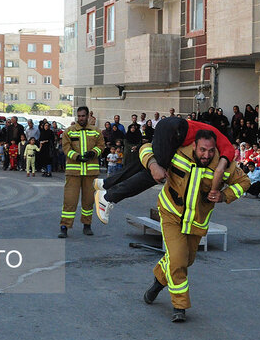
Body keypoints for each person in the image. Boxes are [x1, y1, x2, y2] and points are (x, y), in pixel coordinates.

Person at [140, 129, 250, 322]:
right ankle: (179, 307)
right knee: (177, 259)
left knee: (186, 260)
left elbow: (244, 182)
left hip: (196, 222)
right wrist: (153, 165)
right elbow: (145, 148)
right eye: (202, 150)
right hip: (170, 214)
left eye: (210, 150)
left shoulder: (223, 165)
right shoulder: (177, 152)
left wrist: (225, 196)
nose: (206, 155)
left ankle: (158, 282)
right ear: (194, 146)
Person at [94, 117, 235, 224]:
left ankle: (105, 184)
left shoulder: (214, 135)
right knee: (155, 173)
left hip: (171, 126)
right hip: (176, 130)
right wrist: (214, 192)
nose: (207, 155)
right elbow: (219, 171)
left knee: (144, 163)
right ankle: (108, 198)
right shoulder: (228, 149)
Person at [59, 106, 105, 238]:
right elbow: (66, 148)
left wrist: (93, 153)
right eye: (79, 116)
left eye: (83, 116)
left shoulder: (96, 131)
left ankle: (87, 225)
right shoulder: (69, 131)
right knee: (69, 200)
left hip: (90, 173)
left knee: (88, 201)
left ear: (88, 116)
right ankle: (64, 227)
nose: (81, 118)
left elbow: (101, 146)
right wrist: (77, 156)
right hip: (73, 172)